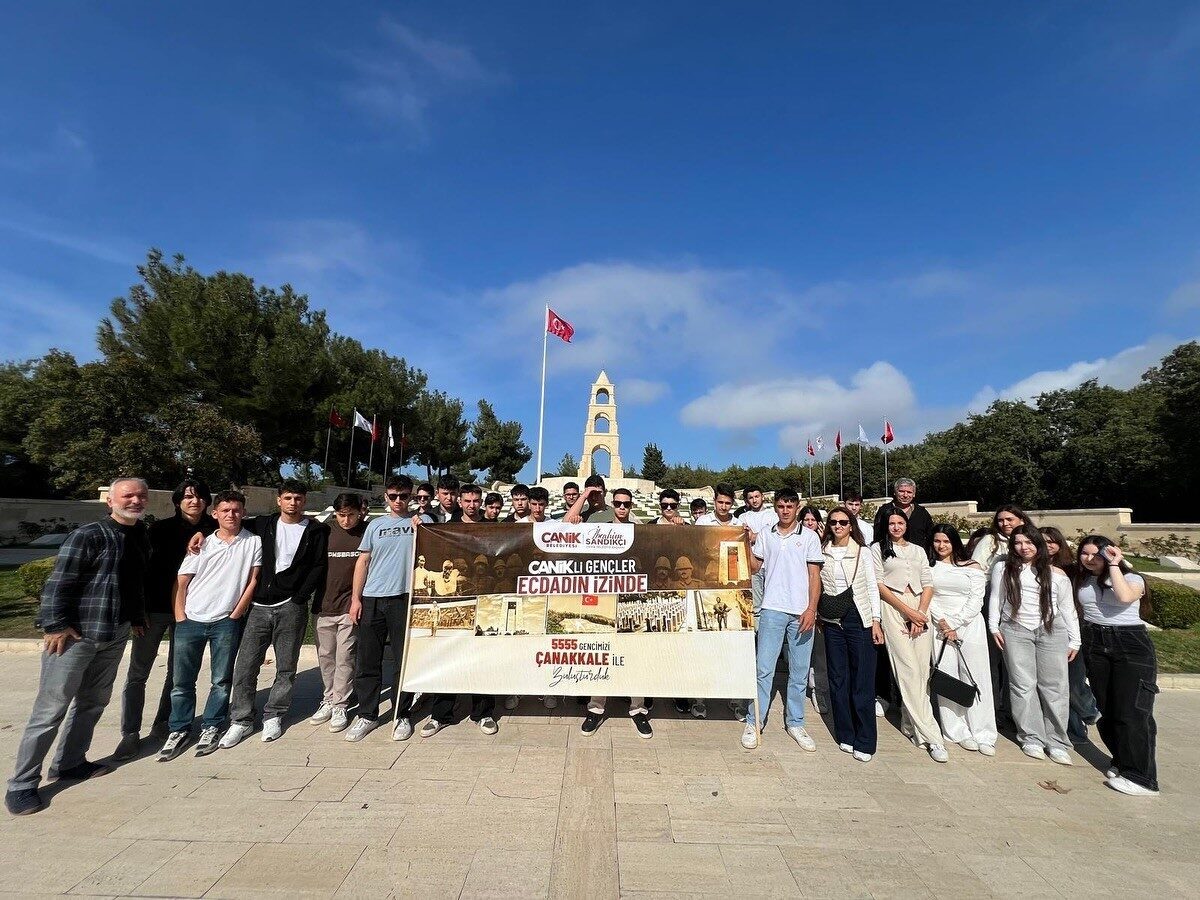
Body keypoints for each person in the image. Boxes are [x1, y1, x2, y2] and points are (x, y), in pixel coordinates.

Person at [5, 478, 150, 817]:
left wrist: (137, 617)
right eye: (127, 495)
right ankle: (22, 784)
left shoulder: (140, 534)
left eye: (140, 495)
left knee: (94, 701)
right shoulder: (89, 535)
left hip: (114, 632)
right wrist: (55, 625)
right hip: (76, 635)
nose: (135, 500)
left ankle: (70, 763)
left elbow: (133, 580)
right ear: (110, 501)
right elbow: (59, 582)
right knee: (50, 709)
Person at [220, 479, 329, 748]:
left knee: (286, 666)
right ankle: (241, 720)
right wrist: (200, 535)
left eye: (298, 498)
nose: (293, 503)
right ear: (279, 500)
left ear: (305, 501)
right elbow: (227, 525)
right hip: (258, 607)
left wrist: (300, 596)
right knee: (245, 666)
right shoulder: (261, 524)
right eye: (288, 498)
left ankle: (274, 714)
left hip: (291, 605)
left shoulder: (316, 530)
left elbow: (318, 566)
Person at [114, 478, 215, 762]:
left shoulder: (214, 531)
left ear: (207, 501)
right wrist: (137, 611)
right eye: (187, 497)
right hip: (154, 609)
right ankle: (130, 733)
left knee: (178, 672)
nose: (193, 501)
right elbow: (140, 571)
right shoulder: (159, 529)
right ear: (177, 501)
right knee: (138, 673)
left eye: (199, 497)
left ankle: (164, 723)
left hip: (190, 611)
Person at [159, 490, 262, 761]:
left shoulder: (253, 542)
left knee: (221, 679)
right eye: (225, 510)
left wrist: (236, 613)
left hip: (225, 620)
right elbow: (182, 581)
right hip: (191, 618)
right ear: (215, 513)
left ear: (244, 513)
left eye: (236, 510)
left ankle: (212, 726)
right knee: (181, 681)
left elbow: (252, 580)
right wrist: (180, 615)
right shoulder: (202, 543)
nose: (231, 515)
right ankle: (179, 729)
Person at [345, 476, 433, 743]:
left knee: (402, 660)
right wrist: (356, 599)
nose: (398, 501)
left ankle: (401, 713)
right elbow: (363, 562)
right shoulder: (376, 525)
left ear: (412, 497)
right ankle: (367, 714)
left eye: (403, 496)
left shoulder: (422, 522)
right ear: (386, 497)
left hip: (404, 598)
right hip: (372, 597)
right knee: (368, 660)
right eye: (393, 496)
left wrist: (423, 527)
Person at [987, 525, 1080, 764]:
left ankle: (1058, 741)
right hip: (1015, 629)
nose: (1023, 547)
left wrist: (1075, 640)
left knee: (1055, 687)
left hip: (1051, 630)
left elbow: (1068, 609)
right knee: (1022, 685)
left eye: (1029, 542)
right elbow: (996, 597)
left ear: (1038, 544)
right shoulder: (1003, 568)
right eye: (1018, 543)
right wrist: (994, 626)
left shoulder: (1057, 574)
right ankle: (1032, 737)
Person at [1075, 536, 1158, 795]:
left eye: (1095, 554)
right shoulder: (1083, 578)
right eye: (1084, 554)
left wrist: (1114, 565)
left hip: (1129, 644)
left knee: (1132, 712)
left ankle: (1143, 779)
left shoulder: (1133, 579)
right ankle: (1122, 762)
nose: (1089, 559)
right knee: (1108, 709)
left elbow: (1123, 598)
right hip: (1094, 642)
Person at [742, 488, 823, 752]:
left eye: (790, 506)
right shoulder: (767, 534)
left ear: (797, 507)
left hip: (801, 611)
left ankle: (796, 722)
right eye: (781, 506)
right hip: (772, 609)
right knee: (763, 669)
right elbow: (755, 567)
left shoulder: (809, 537)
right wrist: (745, 543)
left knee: (799, 672)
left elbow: (814, 576)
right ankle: (755, 721)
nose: (785, 510)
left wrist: (811, 609)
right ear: (775, 507)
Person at [872, 511, 948, 763]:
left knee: (922, 672)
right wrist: (907, 611)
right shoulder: (877, 549)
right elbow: (879, 585)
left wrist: (920, 613)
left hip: (919, 606)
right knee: (908, 671)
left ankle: (910, 723)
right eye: (891, 523)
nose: (896, 527)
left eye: (900, 523)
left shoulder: (917, 550)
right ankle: (931, 735)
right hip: (894, 607)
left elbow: (928, 583)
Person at [580, 487, 650, 735]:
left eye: (626, 504)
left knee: (636, 656)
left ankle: (638, 709)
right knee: (601, 654)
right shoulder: (600, 527)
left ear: (631, 506)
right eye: (618, 503)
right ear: (612, 503)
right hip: (604, 599)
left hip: (630, 599)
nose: (622, 507)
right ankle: (596, 709)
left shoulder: (639, 528)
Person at [818, 506, 883, 762]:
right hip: (833, 618)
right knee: (838, 678)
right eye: (833, 522)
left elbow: (872, 587)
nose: (838, 526)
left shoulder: (863, 552)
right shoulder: (822, 551)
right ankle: (845, 733)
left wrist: (876, 620)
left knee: (862, 681)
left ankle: (865, 739)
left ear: (851, 524)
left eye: (843, 522)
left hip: (859, 616)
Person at [928, 525, 996, 755]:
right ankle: (956, 730)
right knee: (948, 676)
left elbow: (977, 598)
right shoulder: (929, 567)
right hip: (940, 625)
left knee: (975, 675)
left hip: (969, 624)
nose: (941, 546)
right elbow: (928, 596)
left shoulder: (971, 566)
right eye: (937, 541)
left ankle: (983, 731)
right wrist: (944, 624)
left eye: (946, 541)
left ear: (954, 542)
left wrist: (956, 623)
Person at [310, 493, 367, 733]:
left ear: (360, 512)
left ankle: (341, 704)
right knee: (326, 656)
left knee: (345, 656)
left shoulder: (366, 531)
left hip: (349, 605)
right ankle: (329, 698)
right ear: (335, 513)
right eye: (341, 515)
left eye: (351, 515)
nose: (346, 521)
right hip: (323, 605)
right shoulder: (324, 531)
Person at [973, 505, 1033, 729]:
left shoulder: (1031, 540)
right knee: (994, 659)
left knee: (1018, 663)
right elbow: (976, 569)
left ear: (1021, 519)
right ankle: (995, 707)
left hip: (1025, 606)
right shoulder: (990, 541)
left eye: (1010, 519)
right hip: (993, 598)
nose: (1005, 524)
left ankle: (1015, 709)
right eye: (1001, 520)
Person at [1041, 525, 1100, 746]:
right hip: (1048, 629)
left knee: (1074, 680)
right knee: (1057, 682)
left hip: (1074, 629)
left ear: (1060, 543)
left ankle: (1088, 711)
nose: (1048, 546)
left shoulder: (1072, 569)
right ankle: (1074, 728)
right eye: (1043, 541)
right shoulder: (1032, 566)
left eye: (1051, 541)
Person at [798, 506, 830, 716]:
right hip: (801, 601)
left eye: (813, 519)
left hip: (822, 602)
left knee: (820, 652)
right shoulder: (798, 543)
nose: (809, 523)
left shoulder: (827, 544)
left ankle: (819, 691)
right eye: (806, 519)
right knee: (802, 651)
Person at [739, 485, 778, 617]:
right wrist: (761, 535)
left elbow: (774, 538)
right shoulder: (743, 517)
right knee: (756, 603)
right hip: (752, 564)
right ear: (746, 500)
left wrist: (754, 536)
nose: (754, 500)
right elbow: (744, 538)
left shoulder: (773, 516)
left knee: (772, 601)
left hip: (771, 564)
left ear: (762, 497)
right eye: (751, 498)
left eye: (757, 496)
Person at [872, 478, 934, 554]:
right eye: (901, 491)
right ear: (895, 492)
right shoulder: (884, 510)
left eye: (909, 492)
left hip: (916, 556)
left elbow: (930, 537)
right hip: (890, 556)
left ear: (914, 494)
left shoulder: (922, 513)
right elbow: (878, 535)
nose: (905, 495)